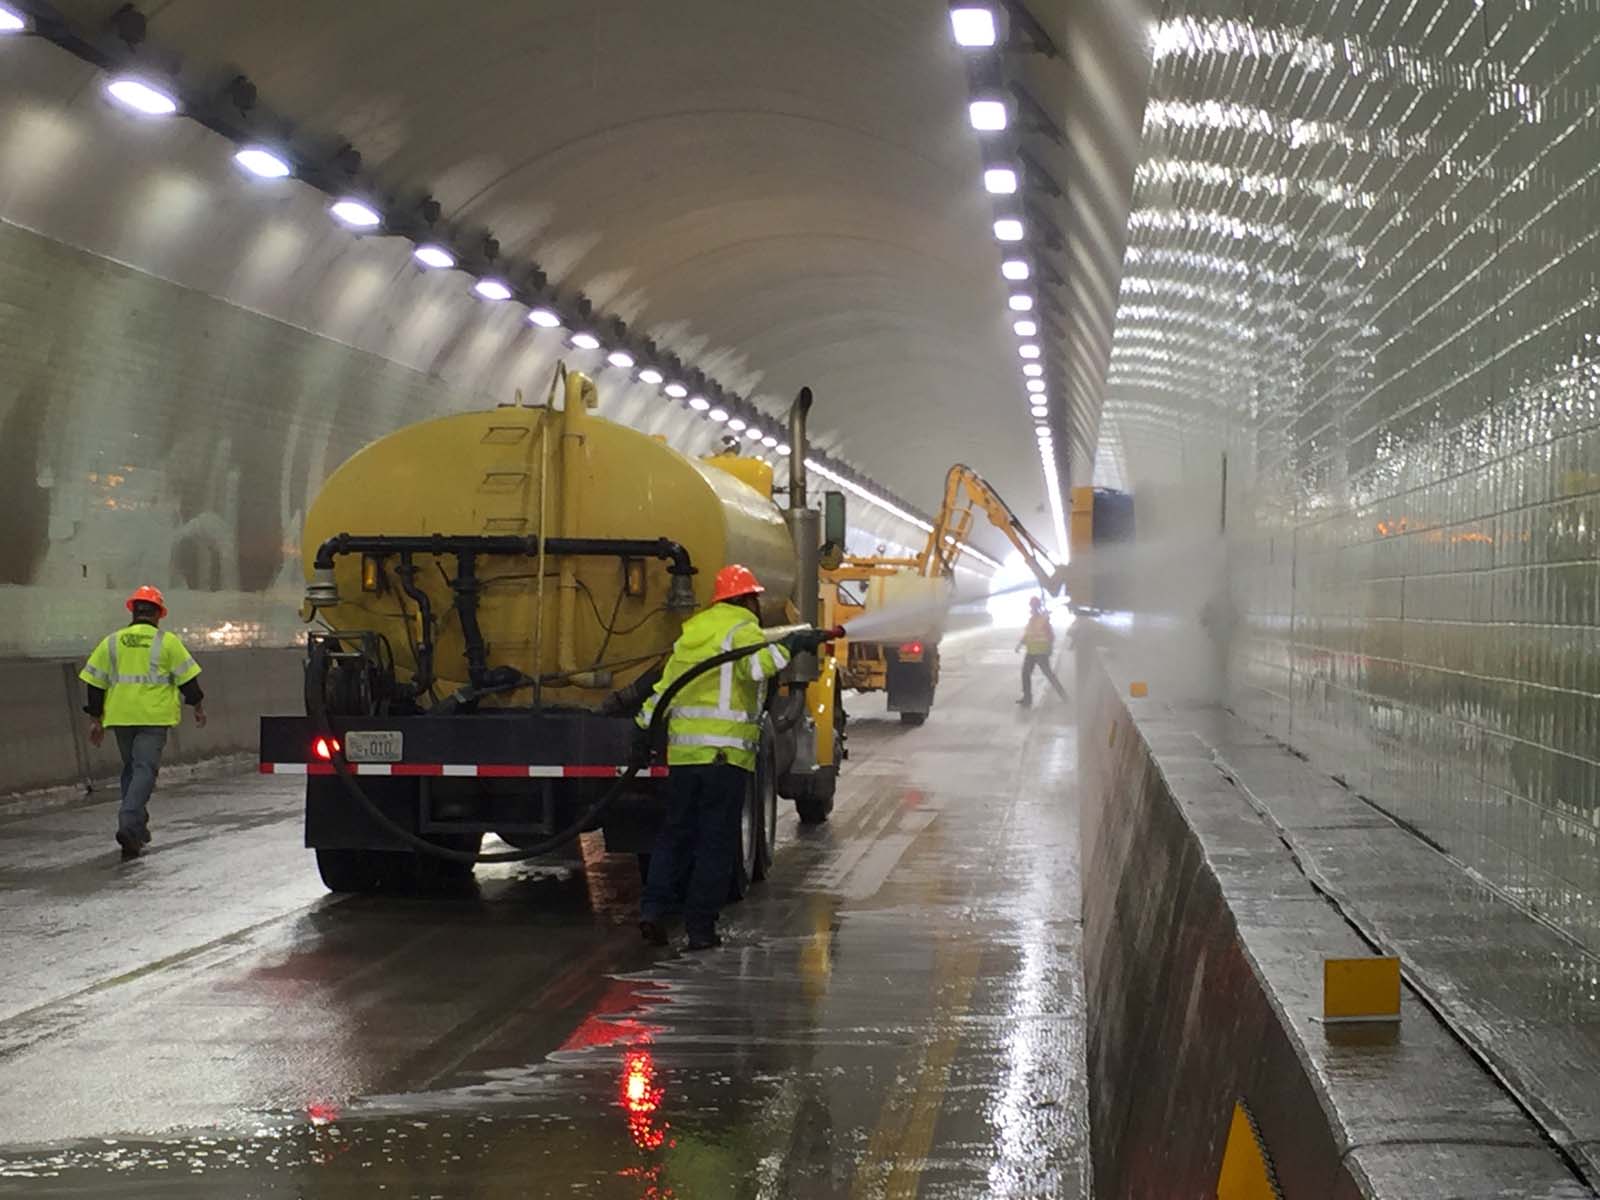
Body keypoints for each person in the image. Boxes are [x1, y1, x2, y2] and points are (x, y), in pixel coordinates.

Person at [635, 564, 827, 951]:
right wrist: (788, 648)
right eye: (754, 598)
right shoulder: (742, 628)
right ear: (746, 599)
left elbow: (665, 688)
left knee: (675, 833)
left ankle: (654, 909)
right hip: (725, 756)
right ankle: (700, 928)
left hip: (686, 756)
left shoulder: (693, 632)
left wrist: (641, 727)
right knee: (715, 841)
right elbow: (754, 669)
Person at [80, 586, 206, 860]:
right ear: (159, 614)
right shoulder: (167, 642)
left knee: (132, 769)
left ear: (133, 611)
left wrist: (95, 718)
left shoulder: (111, 642)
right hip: (153, 717)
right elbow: (188, 681)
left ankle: (137, 829)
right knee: (145, 769)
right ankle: (128, 821)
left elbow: (94, 683)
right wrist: (197, 705)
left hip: (120, 718)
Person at [1016, 595, 1068, 707]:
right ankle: (1027, 698)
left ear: (1036, 606)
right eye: (1031, 606)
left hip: (1041, 653)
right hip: (1031, 652)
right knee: (1026, 674)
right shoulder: (1033, 620)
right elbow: (1028, 634)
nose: (1031, 608)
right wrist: (1020, 644)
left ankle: (1064, 696)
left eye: (1033, 606)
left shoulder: (1043, 620)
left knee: (1048, 675)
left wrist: (1049, 649)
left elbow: (1051, 636)